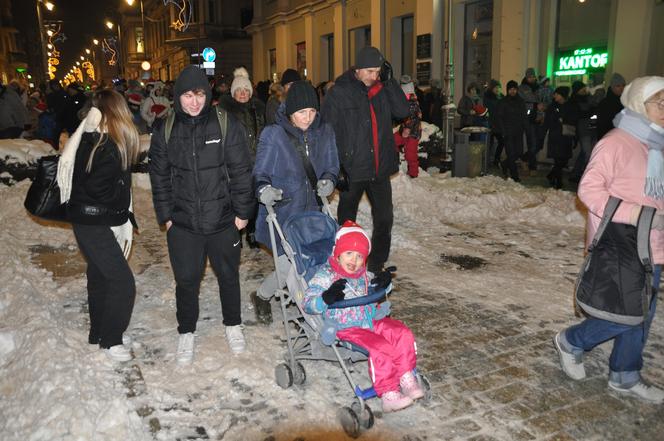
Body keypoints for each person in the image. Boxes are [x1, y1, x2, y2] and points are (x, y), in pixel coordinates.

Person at [553, 76, 664, 403]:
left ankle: (624, 375)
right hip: (620, 244)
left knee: (642, 311)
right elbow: (588, 190)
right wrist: (635, 214)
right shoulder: (616, 142)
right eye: (660, 103)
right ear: (638, 104)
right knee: (627, 312)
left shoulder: (657, 145)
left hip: (652, 245)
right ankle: (572, 340)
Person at [148, 65, 255, 364]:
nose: (194, 102)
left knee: (229, 276)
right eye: (187, 95)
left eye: (198, 95)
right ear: (177, 97)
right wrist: (167, 215)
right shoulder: (166, 128)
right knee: (186, 281)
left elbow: (241, 170)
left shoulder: (225, 123)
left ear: (207, 95)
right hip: (183, 223)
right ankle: (186, 332)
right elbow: (159, 175)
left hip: (223, 220)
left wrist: (242, 212)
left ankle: (233, 325)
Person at [303, 221, 423, 412]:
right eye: (349, 253)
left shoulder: (363, 274)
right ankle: (388, 393)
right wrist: (325, 298)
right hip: (346, 327)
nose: (354, 260)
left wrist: (385, 284)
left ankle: (405, 375)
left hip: (369, 319)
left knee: (402, 333)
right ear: (338, 253)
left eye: (360, 256)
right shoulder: (326, 275)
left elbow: (374, 288)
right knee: (381, 347)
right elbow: (307, 302)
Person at [56, 89, 140, 362]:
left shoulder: (91, 135)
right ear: (116, 112)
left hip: (89, 220)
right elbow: (96, 188)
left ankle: (98, 333)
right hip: (92, 221)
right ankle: (111, 339)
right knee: (122, 282)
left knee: (100, 276)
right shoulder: (102, 142)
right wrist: (118, 191)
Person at [252, 80, 339, 323]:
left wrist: (329, 180)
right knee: (289, 267)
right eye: (302, 112)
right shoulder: (274, 134)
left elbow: (332, 165)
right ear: (290, 111)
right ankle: (262, 295)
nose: (308, 117)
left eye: (312, 111)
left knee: (312, 263)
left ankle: (310, 307)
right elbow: (260, 171)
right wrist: (263, 189)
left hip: (312, 213)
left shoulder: (325, 131)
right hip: (282, 212)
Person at [321, 46, 410, 273]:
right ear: (358, 70)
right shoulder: (340, 92)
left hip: (379, 168)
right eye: (370, 71)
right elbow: (327, 131)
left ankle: (376, 263)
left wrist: (390, 82)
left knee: (384, 218)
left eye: (378, 71)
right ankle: (343, 260)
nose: (374, 76)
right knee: (347, 219)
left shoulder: (382, 88)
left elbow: (402, 111)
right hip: (352, 169)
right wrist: (335, 166)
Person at [219, 67, 266, 248]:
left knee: (254, 199)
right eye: (239, 90)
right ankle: (234, 234)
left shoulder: (258, 109)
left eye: (246, 90)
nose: (243, 94)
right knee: (235, 199)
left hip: (256, 161)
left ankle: (252, 233)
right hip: (234, 162)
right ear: (233, 93)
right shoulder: (225, 111)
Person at [544, 86, 574, 189]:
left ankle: (551, 175)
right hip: (555, 136)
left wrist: (563, 120)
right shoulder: (552, 106)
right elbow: (548, 120)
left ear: (562, 95)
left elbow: (574, 119)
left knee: (564, 160)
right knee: (558, 159)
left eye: (556, 94)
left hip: (566, 136)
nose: (554, 95)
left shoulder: (570, 106)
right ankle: (558, 183)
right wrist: (558, 119)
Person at [497, 80, 527, 182]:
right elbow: (499, 117)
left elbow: (524, 116)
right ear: (507, 90)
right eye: (510, 89)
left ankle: (504, 164)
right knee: (510, 153)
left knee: (518, 152)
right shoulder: (503, 102)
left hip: (518, 131)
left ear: (517, 90)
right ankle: (515, 176)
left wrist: (524, 128)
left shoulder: (521, 101)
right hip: (508, 132)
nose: (512, 91)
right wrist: (503, 131)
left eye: (514, 89)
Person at [394, 75, 422, 178]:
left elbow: (416, 117)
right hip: (404, 131)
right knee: (391, 141)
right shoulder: (404, 100)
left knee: (410, 155)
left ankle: (413, 174)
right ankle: (395, 163)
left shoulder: (412, 101)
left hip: (413, 132)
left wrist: (408, 128)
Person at [518, 68, 540, 171]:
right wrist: (537, 102)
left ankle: (524, 159)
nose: (532, 78)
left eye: (533, 76)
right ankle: (533, 167)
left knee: (536, 144)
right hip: (527, 118)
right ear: (526, 77)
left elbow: (543, 100)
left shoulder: (538, 87)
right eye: (529, 76)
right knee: (532, 143)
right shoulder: (522, 88)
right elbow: (530, 99)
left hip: (538, 117)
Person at [596, 73, 626, 140]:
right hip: (609, 138)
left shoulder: (625, 102)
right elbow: (602, 126)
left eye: (623, 85)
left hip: (622, 137)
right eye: (618, 86)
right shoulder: (604, 103)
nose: (622, 88)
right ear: (612, 87)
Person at [483, 79, 504, 166]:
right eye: (496, 87)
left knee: (502, 142)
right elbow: (490, 109)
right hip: (490, 123)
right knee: (489, 143)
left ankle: (496, 159)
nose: (497, 89)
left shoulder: (502, 97)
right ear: (492, 88)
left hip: (499, 124)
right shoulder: (488, 97)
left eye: (499, 87)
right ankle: (486, 161)